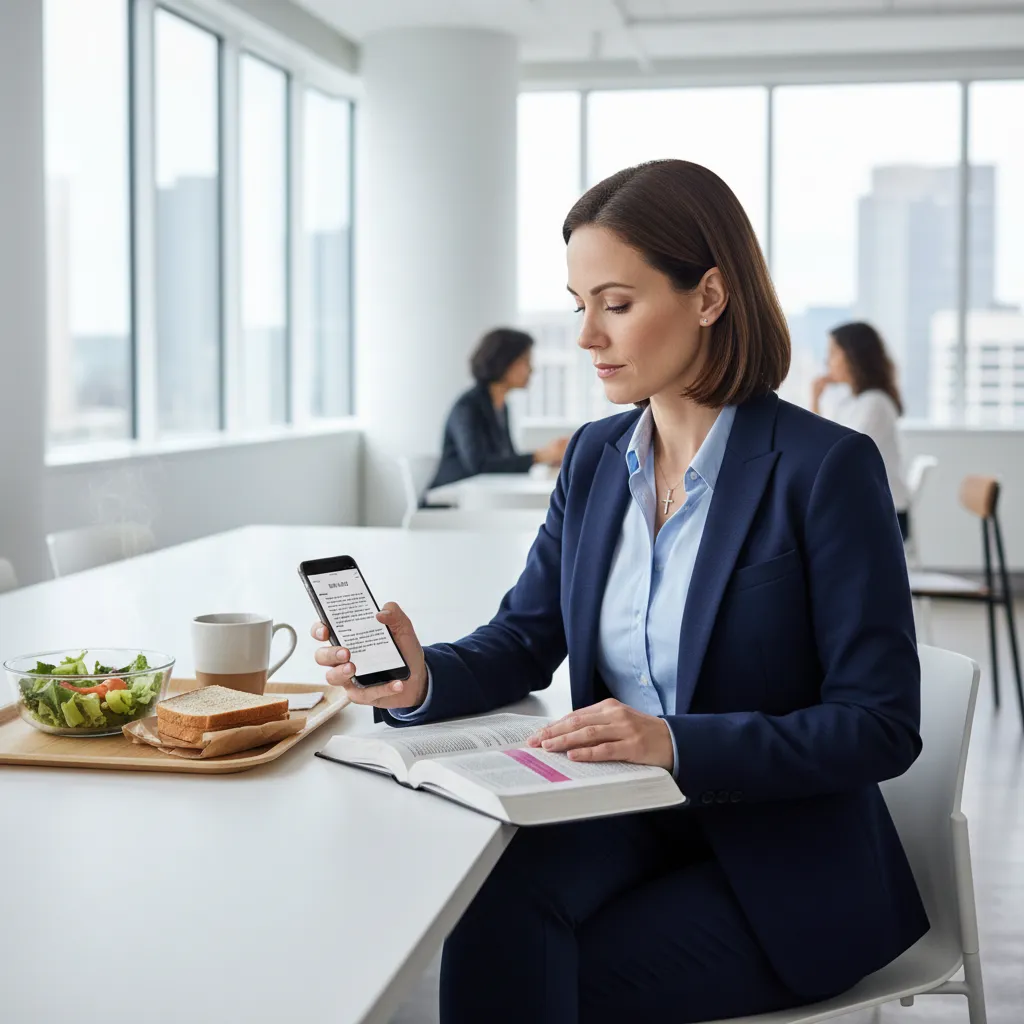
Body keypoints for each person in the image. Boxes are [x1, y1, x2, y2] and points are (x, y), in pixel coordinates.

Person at [313, 160, 927, 1023]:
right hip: (619, 815)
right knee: (488, 913)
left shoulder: (826, 470)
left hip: (777, 858)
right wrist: (422, 681)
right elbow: (524, 637)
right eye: (579, 305)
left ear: (709, 296)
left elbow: (881, 726)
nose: (587, 336)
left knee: (556, 979)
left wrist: (674, 739)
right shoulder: (599, 458)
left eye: (617, 303)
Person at [428, 327, 569, 490]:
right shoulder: (468, 406)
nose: (531, 369)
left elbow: (506, 460)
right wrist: (541, 455)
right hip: (449, 501)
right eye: (525, 361)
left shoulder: (501, 406)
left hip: (477, 497)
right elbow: (479, 465)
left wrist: (547, 458)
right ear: (504, 362)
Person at [811, 321, 911, 539]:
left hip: (884, 513)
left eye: (834, 353)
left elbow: (839, 456)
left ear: (853, 357)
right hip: (866, 506)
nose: (828, 361)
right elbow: (823, 443)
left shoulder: (875, 403)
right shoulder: (852, 401)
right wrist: (816, 400)